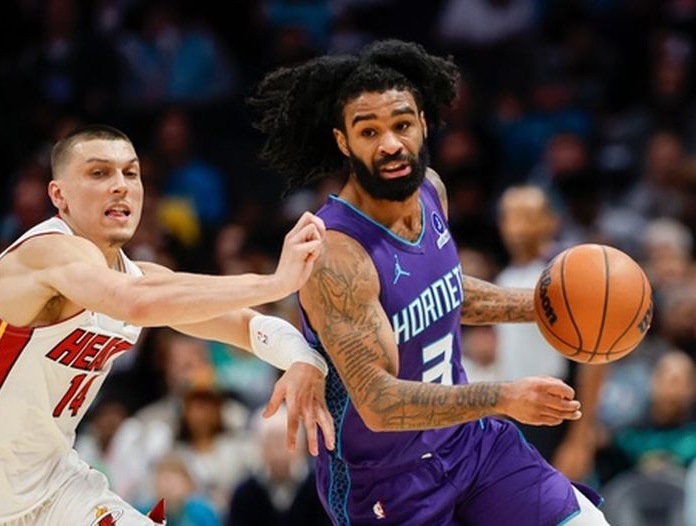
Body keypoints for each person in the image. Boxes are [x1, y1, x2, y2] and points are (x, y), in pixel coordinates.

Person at [250, 39, 608, 525]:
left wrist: (545, 304)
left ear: (422, 123)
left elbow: (445, 290)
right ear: (342, 142)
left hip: (469, 443)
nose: (390, 143)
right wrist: (504, 396)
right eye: (369, 131)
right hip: (385, 483)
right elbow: (377, 401)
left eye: (400, 124)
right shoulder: (336, 255)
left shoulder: (429, 190)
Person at [0, 125, 335, 526]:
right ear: (59, 195)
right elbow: (135, 304)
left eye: (131, 173)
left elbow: (244, 327)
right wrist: (276, 282)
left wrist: (301, 356)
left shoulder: (137, 276)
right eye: (99, 173)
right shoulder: (43, 255)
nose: (120, 184)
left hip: (56, 485)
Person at [495, 185, 607, 481]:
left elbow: (595, 360)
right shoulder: (505, 277)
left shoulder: (565, 273)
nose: (518, 226)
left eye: (528, 216)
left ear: (551, 221)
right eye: (511, 217)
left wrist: (580, 438)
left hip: (561, 415)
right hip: (518, 413)